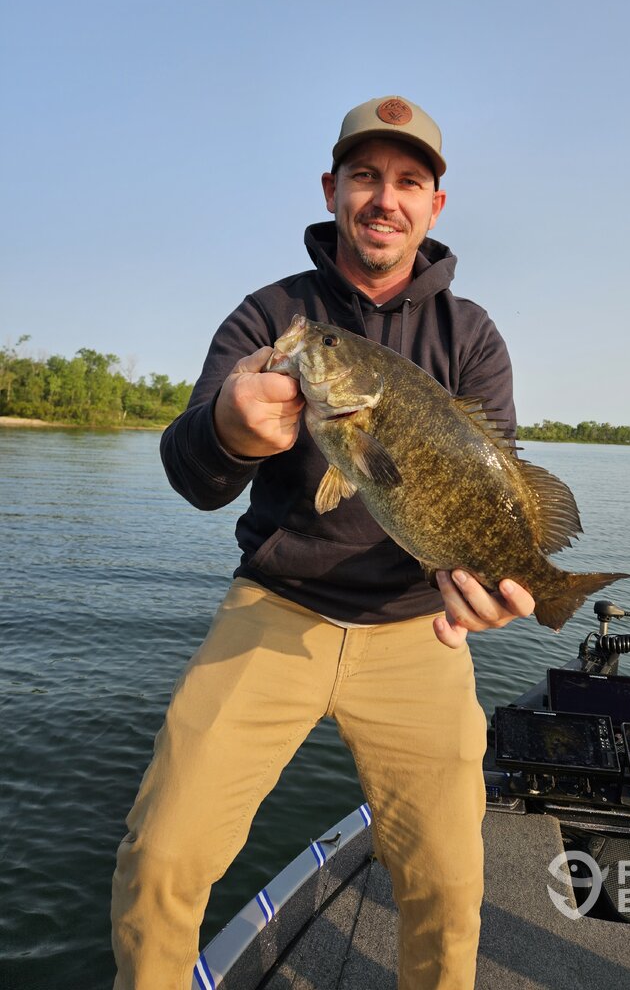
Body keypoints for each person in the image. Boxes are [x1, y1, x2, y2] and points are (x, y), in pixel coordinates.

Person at [111, 95, 535, 990]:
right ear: (331, 188)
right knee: (161, 859)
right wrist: (226, 429)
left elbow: (489, 492)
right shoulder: (272, 315)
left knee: (450, 887)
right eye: (365, 176)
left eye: (408, 182)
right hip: (274, 609)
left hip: (418, 627)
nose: (385, 198)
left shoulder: (471, 335)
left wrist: (489, 589)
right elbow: (192, 475)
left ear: (434, 205)